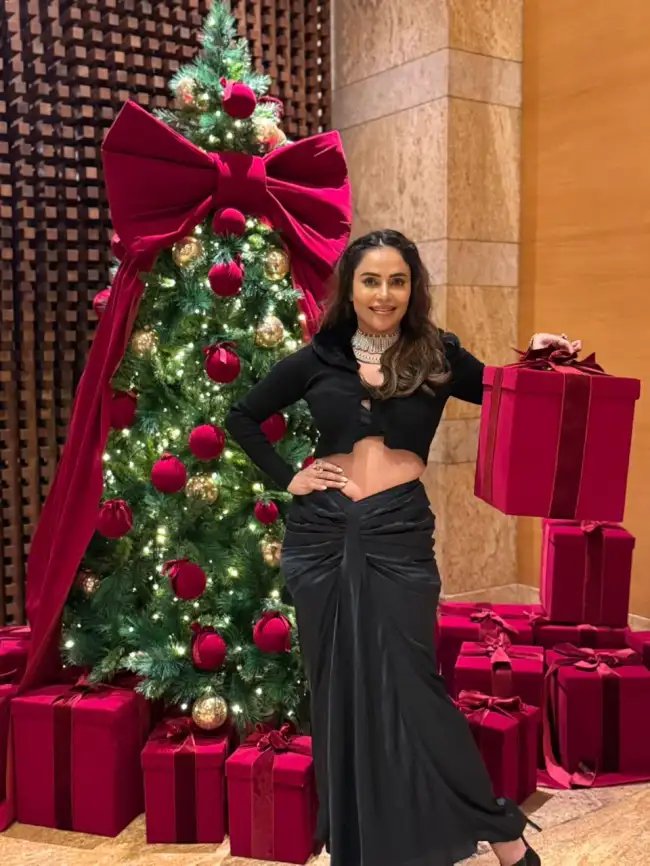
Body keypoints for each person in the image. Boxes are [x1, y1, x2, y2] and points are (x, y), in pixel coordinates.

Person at [226, 229, 581, 866]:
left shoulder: (437, 354)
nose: (383, 294)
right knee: (336, 690)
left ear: (413, 288)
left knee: (417, 686)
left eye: (397, 280)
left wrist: (538, 360)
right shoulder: (319, 356)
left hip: (397, 533)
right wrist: (289, 478)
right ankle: (364, 846)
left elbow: (505, 391)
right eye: (371, 281)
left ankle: (502, 833)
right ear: (350, 289)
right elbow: (242, 416)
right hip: (321, 535)